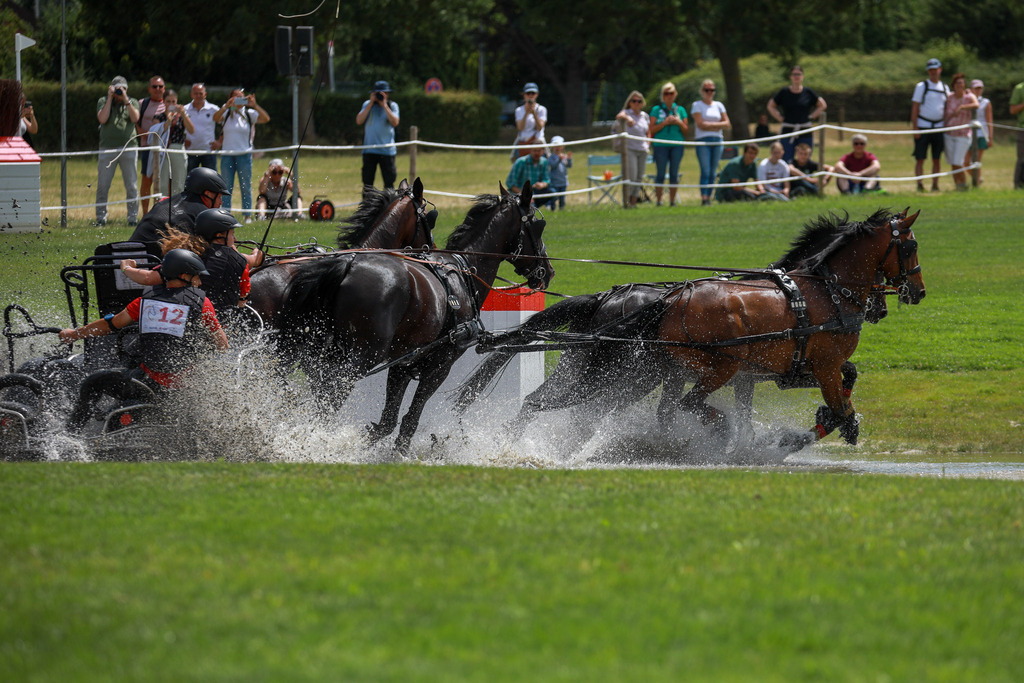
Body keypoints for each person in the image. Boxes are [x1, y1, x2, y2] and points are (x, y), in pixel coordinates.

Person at [59, 249, 229, 429]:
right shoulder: (202, 303)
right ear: (184, 276)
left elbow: (110, 325)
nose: (200, 282)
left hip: (146, 383)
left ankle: (71, 433)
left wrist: (73, 335)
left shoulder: (144, 302)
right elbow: (222, 345)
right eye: (197, 277)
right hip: (181, 390)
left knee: (92, 383)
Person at [121, 209, 261, 318]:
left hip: (184, 318)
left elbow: (148, 278)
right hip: (221, 326)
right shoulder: (241, 261)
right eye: (232, 233)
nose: (235, 238)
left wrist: (126, 268)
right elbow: (243, 298)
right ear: (219, 235)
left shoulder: (187, 255)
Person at [129, 167, 231, 243]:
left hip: (125, 255)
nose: (221, 202)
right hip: (151, 262)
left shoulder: (165, 201)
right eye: (219, 197)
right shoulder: (204, 214)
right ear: (208, 194)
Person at [214, 88, 270, 220]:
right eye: (236, 97)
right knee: (226, 186)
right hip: (227, 155)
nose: (239, 100)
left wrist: (254, 105)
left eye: (242, 97)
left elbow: (266, 118)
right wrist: (226, 106)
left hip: (244, 155)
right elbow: (215, 118)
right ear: (230, 98)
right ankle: (226, 214)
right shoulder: (227, 113)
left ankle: (247, 216)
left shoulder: (250, 114)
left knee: (245, 185)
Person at [95, 75, 140, 227]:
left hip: (129, 148)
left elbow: (135, 119)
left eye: (123, 89)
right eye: (118, 89)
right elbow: (102, 119)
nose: (120, 92)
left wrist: (125, 98)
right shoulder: (103, 101)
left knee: (131, 185)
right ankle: (101, 218)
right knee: (103, 184)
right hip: (107, 148)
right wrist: (109, 98)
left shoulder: (132, 102)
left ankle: (132, 218)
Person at [767, 65, 827, 162]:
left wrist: (812, 116)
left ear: (802, 76)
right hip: (787, 129)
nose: (796, 77)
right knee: (786, 158)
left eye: (798, 74)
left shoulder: (808, 92)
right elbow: (770, 105)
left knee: (805, 158)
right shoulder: (784, 92)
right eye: (794, 74)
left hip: (805, 129)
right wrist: (779, 118)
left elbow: (822, 105)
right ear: (790, 76)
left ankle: (804, 176)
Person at [911, 58, 950, 192]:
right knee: (920, 158)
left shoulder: (945, 87)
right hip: (923, 126)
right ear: (928, 71)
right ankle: (920, 184)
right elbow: (915, 107)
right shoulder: (921, 86)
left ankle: (935, 184)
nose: (933, 72)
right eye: (931, 70)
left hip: (939, 127)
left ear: (940, 70)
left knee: (936, 158)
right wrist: (915, 128)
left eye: (935, 69)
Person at [691, 79, 730, 206]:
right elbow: (700, 124)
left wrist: (711, 124)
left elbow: (727, 124)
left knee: (713, 172)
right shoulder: (697, 105)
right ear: (702, 91)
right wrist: (717, 125)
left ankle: (709, 197)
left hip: (718, 140)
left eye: (712, 90)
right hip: (703, 141)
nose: (709, 92)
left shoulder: (719, 105)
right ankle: (704, 198)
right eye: (707, 90)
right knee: (705, 170)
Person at [649, 82, 688, 207]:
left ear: (675, 94)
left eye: (671, 93)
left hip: (677, 145)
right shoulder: (656, 110)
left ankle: (672, 201)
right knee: (660, 173)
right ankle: (659, 201)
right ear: (662, 95)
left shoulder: (681, 110)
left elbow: (686, 130)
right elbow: (651, 130)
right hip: (660, 146)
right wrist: (665, 123)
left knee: (674, 173)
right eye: (666, 93)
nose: (669, 96)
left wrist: (679, 122)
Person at [356, 80, 400, 190]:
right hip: (369, 150)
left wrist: (384, 105)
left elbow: (395, 122)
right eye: (378, 93)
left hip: (387, 151)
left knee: (389, 183)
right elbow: (359, 121)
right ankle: (368, 206)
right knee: (367, 183)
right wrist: (371, 103)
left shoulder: (392, 105)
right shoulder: (367, 105)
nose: (381, 96)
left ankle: (388, 206)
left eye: (384, 93)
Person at [150, 89, 194, 197]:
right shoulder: (158, 117)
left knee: (178, 183)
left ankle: (177, 210)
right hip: (163, 151)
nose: (171, 104)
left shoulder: (182, 116)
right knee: (163, 184)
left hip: (178, 149)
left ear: (177, 102)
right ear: (163, 102)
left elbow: (191, 130)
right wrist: (168, 122)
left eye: (173, 102)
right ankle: (162, 209)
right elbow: (155, 134)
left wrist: (183, 114)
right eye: (168, 101)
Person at [943, 73, 979, 192]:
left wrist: (963, 107)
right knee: (952, 162)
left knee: (957, 161)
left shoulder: (969, 97)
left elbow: (976, 104)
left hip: (963, 135)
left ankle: (964, 185)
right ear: (953, 85)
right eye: (958, 83)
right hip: (949, 133)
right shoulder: (950, 97)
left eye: (962, 83)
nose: (960, 85)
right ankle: (958, 186)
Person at [136, 76, 167, 215]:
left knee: (163, 181)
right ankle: (144, 214)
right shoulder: (142, 103)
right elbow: (135, 123)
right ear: (149, 89)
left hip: (165, 149)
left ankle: (161, 213)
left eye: (160, 86)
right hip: (147, 148)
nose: (158, 89)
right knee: (147, 180)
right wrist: (146, 135)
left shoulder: (169, 104)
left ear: (164, 89)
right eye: (154, 86)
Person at [615, 90, 650, 208]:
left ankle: (634, 202)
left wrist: (648, 143)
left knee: (639, 178)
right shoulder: (626, 112)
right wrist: (627, 118)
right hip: (630, 149)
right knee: (632, 176)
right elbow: (619, 116)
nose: (636, 103)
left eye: (639, 101)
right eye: (634, 101)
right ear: (630, 102)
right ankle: (627, 202)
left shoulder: (644, 115)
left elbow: (648, 131)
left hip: (642, 150)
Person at [184, 83, 221, 172]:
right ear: (191, 95)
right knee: (190, 181)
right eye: (196, 93)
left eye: (200, 93)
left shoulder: (214, 109)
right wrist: (182, 140)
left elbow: (227, 124)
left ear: (205, 94)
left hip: (208, 152)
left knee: (211, 181)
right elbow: (178, 126)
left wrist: (220, 142)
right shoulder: (184, 109)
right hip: (190, 152)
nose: (198, 96)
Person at [967, 79, 993, 185]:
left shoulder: (986, 102)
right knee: (965, 162)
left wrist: (990, 137)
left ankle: (976, 183)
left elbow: (989, 120)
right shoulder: (967, 100)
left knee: (977, 161)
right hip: (968, 133)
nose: (978, 90)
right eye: (976, 88)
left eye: (980, 88)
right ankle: (977, 178)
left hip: (981, 133)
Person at [512, 82, 547, 160]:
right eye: (528, 93)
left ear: (537, 94)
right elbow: (520, 128)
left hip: (537, 142)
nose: (530, 95)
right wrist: (526, 113)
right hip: (523, 142)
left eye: (533, 93)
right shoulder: (519, 110)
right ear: (524, 95)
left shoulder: (542, 109)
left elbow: (540, 128)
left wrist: (534, 113)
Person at [546, 136, 572, 211]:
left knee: (562, 198)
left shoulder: (564, 156)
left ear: (562, 147)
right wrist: (559, 160)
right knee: (554, 197)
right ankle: (552, 209)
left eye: (559, 146)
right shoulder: (551, 157)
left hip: (563, 182)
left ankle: (561, 209)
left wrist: (569, 159)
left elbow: (569, 166)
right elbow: (552, 166)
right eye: (555, 146)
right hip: (554, 182)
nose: (557, 148)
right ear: (552, 147)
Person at [1010, 78, 1024, 189]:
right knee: (1022, 159)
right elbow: (1013, 110)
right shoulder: (1019, 88)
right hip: (1022, 129)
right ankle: (1018, 185)